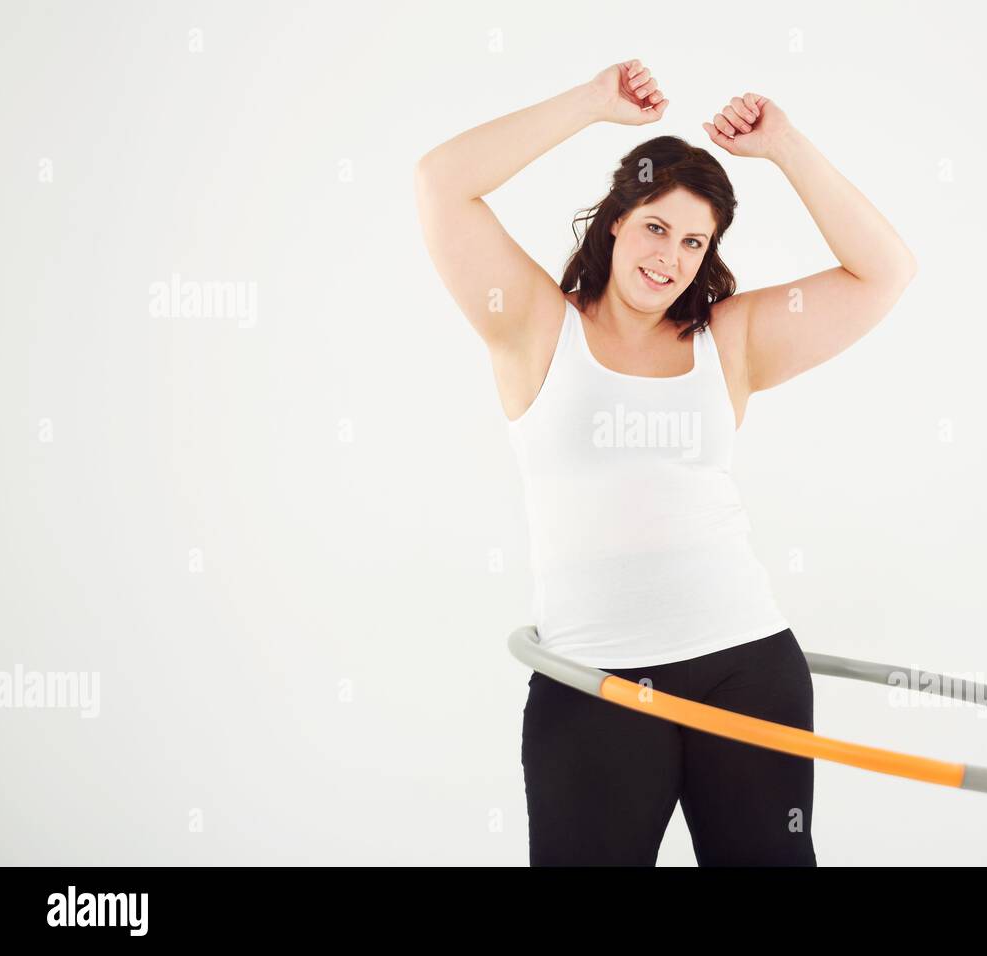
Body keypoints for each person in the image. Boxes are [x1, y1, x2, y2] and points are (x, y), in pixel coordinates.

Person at [414, 59, 918, 866]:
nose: (671, 256)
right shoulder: (537, 327)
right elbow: (441, 182)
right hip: (592, 683)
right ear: (616, 220)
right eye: (655, 226)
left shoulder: (734, 340)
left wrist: (785, 145)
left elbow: (886, 271)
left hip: (746, 668)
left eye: (695, 241)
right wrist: (589, 103)